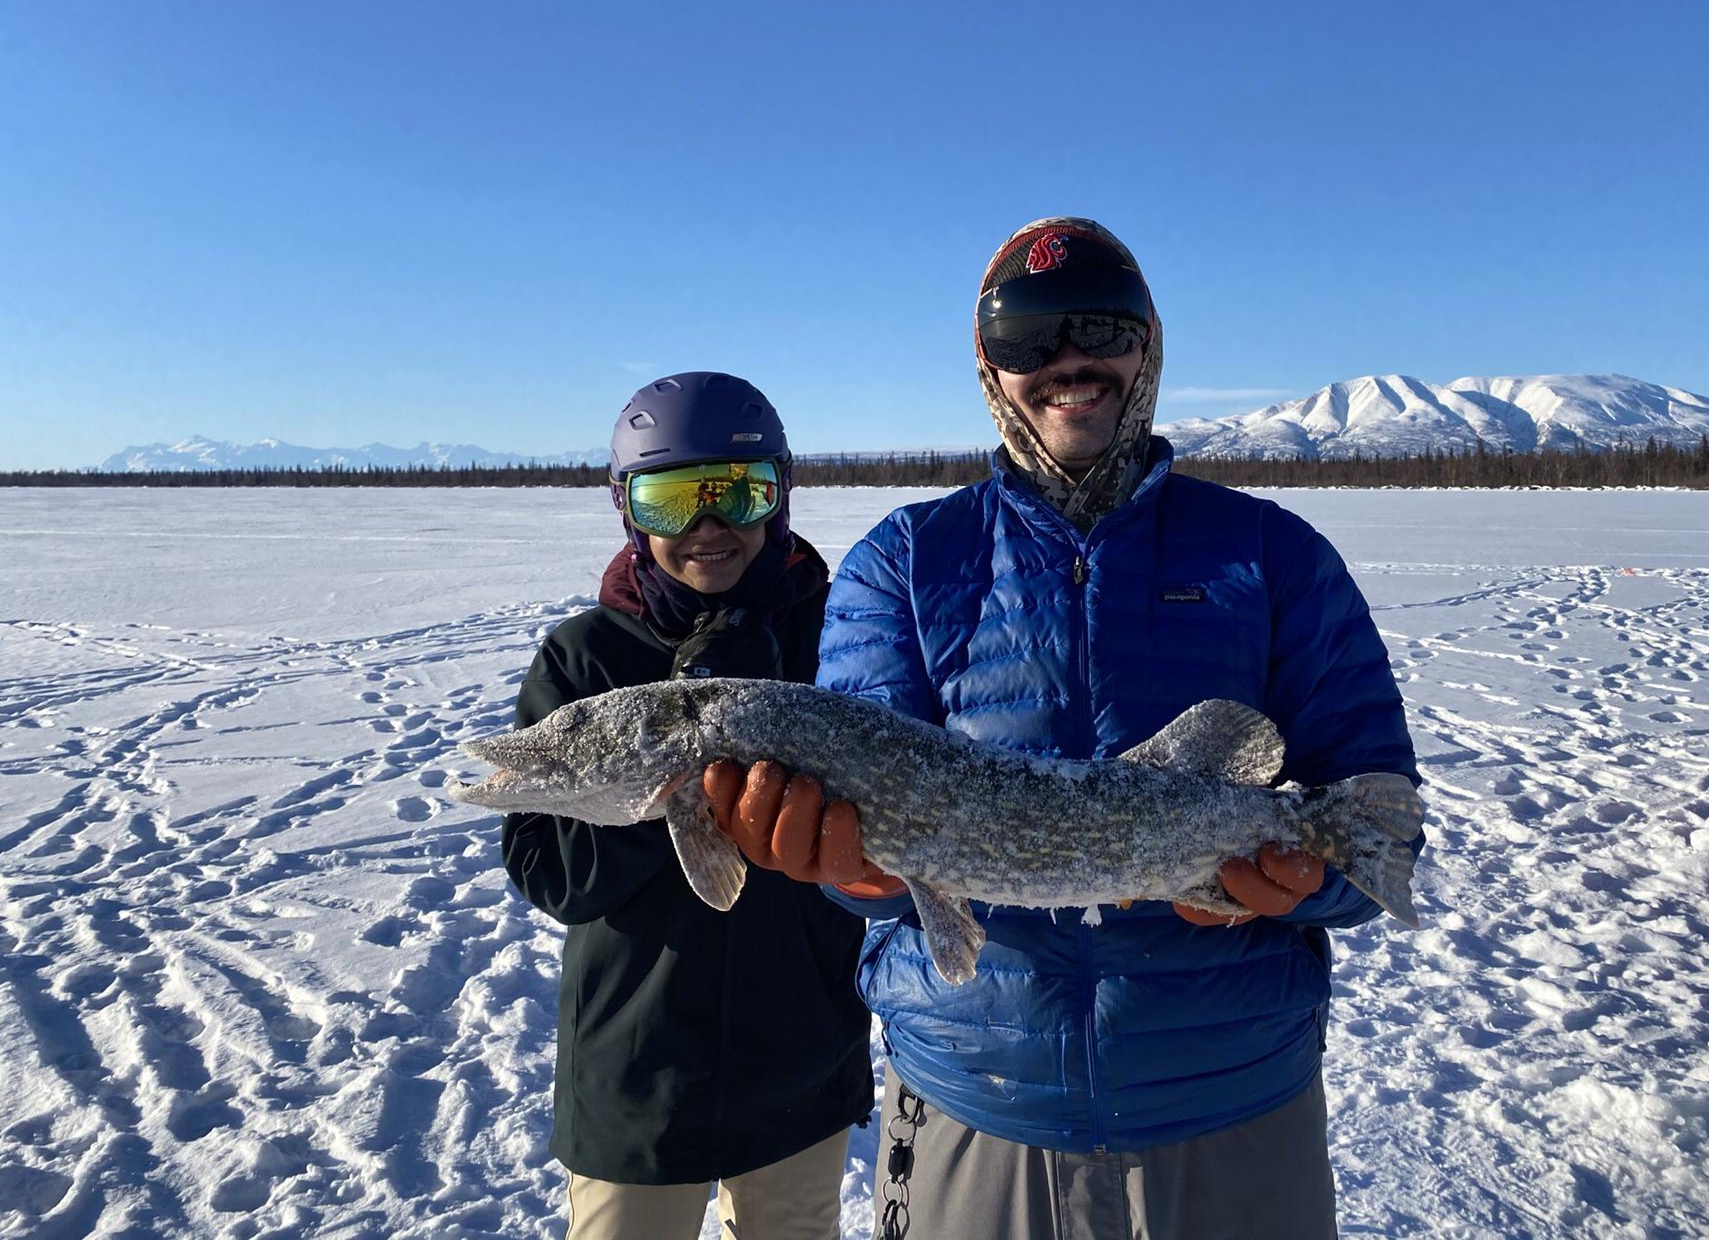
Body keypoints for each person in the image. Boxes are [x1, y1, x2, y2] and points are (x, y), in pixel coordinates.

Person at [705, 219, 1423, 1239]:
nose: (1065, 362)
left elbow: (1377, 821)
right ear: (988, 365)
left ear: (1148, 345)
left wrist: (1313, 880)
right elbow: (860, 826)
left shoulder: (1274, 557)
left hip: (1229, 1096)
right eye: (1026, 337)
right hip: (974, 1094)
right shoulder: (903, 562)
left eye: (1098, 327)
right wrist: (847, 868)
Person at [501, 372, 873, 1240]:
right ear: (628, 509)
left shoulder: (840, 637)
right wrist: (674, 776)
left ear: (779, 498)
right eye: (673, 501)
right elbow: (548, 869)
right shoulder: (587, 657)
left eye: (737, 495)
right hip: (637, 1072)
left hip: (801, 1056)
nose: (709, 530)